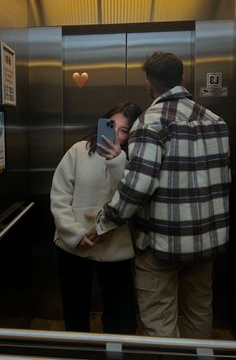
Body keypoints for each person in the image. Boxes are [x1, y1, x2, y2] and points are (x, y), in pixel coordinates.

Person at [86, 52, 231, 339]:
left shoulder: (149, 122)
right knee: (199, 311)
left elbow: (138, 186)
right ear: (182, 78)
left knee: (159, 321)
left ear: (149, 84)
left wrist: (104, 221)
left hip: (161, 246)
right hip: (206, 243)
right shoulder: (216, 121)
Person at [50, 101, 142, 334]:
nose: (116, 135)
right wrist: (74, 234)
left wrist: (118, 161)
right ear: (103, 124)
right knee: (75, 306)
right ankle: (79, 351)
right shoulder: (79, 151)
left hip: (114, 246)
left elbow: (130, 195)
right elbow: (59, 196)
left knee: (121, 311)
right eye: (112, 127)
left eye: (124, 131)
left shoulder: (135, 159)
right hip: (74, 245)